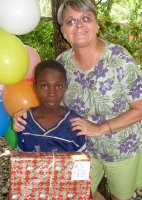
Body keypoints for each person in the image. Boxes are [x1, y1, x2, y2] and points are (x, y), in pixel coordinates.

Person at [13, 0, 142, 199]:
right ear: (63, 30)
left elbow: (140, 108)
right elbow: (53, 101)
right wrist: (27, 114)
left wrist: (100, 128)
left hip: (121, 147)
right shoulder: (62, 63)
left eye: (85, 18)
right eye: (71, 21)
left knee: (119, 196)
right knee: (80, 194)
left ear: (96, 24)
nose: (79, 25)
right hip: (79, 147)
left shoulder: (119, 59)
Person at [16, 60, 86, 152]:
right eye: (44, 86)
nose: (52, 93)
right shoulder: (24, 122)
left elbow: (80, 163)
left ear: (66, 87)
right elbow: (21, 160)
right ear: (35, 87)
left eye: (59, 86)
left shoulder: (75, 124)